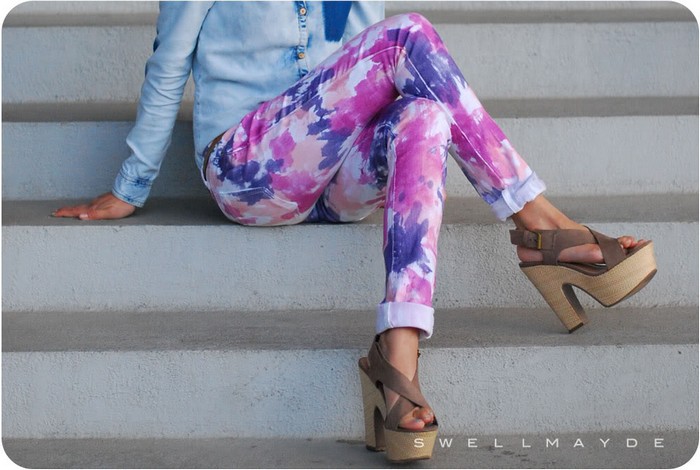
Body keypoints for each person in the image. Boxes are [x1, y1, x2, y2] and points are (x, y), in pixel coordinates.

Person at [53, 1, 657, 462]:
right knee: (406, 33)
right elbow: (167, 66)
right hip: (250, 169)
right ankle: (542, 228)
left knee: (425, 113)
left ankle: (397, 349)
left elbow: (376, 79)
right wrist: (131, 185)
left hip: (338, 179)